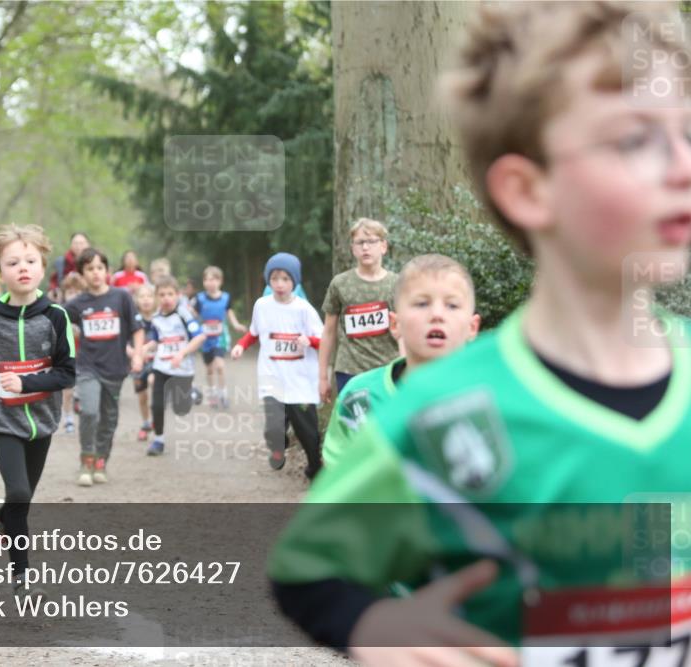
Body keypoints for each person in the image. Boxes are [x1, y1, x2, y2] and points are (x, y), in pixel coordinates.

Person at [269, 3, 691, 663]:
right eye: (636, 139)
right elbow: (306, 567)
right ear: (528, 189)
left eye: (688, 132)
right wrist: (376, 626)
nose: (682, 166)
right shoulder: (448, 414)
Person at [0, 224, 75, 598]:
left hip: (42, 421)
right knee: (17, 491)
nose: (23, 268)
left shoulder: (56, 316)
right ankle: (22, 578)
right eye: (13, 262)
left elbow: (67, 372)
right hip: (6, 421)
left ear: (43, 265)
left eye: (30, 260)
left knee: (21, 499)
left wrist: (27, 383)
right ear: (0, 271)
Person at [322, 254, 480, 468]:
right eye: (422, 303)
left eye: (452, 305)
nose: (436, 314)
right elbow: (338, 476)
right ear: (395, 324)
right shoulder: (359, 398)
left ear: (472, 327)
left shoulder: (493, 397)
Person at [231, 252, 323, 478]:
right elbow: (253, 333)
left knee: (308, 433)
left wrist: (309, 341)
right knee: (273, 429)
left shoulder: (304, 310)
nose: (280, 284)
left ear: (294, 281)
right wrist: (240, 346)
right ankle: (278, 448)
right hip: (273, 377)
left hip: (301, 381)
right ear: (268, 280)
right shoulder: (262, 305)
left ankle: (314, 467)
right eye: (274, 279)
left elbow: (324, 340)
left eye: (285, 279)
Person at [64, 247, 144, 486]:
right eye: (90, 269)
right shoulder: (78, 303)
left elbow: (137, 329)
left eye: (100, 268)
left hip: (116, 368)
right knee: (89, 411)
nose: (96, 273)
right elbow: (57, 320)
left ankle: (101, 461)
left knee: (109, 418)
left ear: (107, 271)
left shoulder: (121, 297)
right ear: (82, 274)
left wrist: (138, 355)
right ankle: (86, 461)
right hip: (88, 367)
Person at [318, 218, 400, 404]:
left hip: (387, 370)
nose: (365, 248)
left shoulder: (398, 284)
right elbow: (328, 332)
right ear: (352, 248)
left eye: (371, 242)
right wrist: (323, 377)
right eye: (360, 242)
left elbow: (407, 331)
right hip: (349, 370)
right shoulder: (340, 284)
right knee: (353, 427)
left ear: (383, 246)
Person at [144, 276, 207, 456]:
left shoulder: (183, 314)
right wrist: (146, 347)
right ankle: (159, 440)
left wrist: (182, 353)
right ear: (157, 297)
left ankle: (193, 392)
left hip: (182, 368)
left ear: (178, 295)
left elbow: (200, 337)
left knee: (181, 408)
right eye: (162, 295)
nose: (166, 298)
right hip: (161, 366)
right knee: (157, 405)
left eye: (170, 294)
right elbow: (157, 339)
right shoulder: (155, 317)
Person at [190, 266, 247, 409]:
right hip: (205, 339)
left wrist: (236, 324)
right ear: (204, 282)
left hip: (220, 337)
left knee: (220, 366)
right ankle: (213, 394)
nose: (210, 283)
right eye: (207, 280)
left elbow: (229, 312)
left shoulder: (226, 297)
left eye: (214, 279)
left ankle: (223, 394)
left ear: (220, 281)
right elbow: (193, 316)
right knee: (209, 369)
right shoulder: (200, 299)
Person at [59, 272, 86, 434]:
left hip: (85, 357)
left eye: (77, 293)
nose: (74, 296)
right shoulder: (61, 313)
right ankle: (68, 417)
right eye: (70, 293)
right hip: (68, 356)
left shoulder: (87, 312)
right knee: (67, 389)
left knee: (84, 387)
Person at [131, 283, 157, 441]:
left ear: (154, 299)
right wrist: (135, 353)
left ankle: (156, 420)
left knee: (153, 382)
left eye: (149, 296)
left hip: (157, 362)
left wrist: (149, 347)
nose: (146, 300)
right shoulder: (133, 320)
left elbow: (164, 339)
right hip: (138, 363)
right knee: (142, 397)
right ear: (136, 300)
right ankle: (146, 423)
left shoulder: (160, 318)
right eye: (142, 297)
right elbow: (126, 343)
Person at [49, 232, 90, 301]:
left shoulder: (93, 262)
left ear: (88, 244)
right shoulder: (62, 262)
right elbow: (54, 283)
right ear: (71, 245)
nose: (78, 246)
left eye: (81, 243)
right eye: (75, 243)